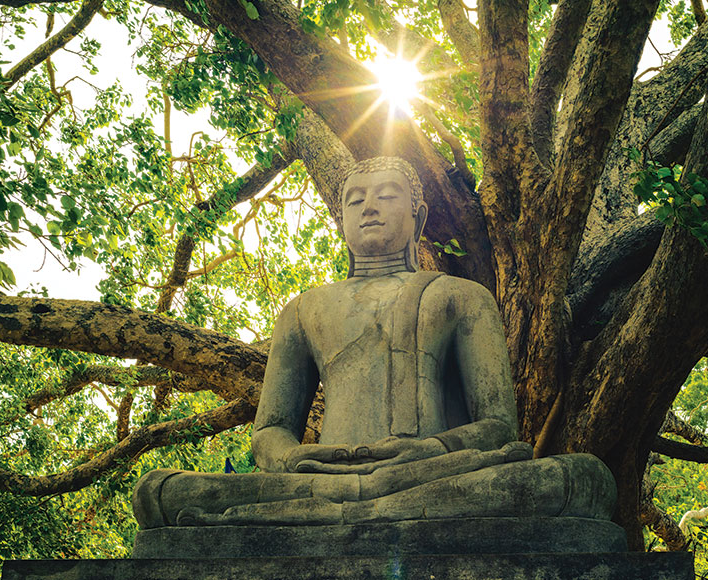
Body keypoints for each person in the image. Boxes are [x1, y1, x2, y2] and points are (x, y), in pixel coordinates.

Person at [133, 157, 615, 529]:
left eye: (386, 195)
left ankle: (359, 507)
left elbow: (496, 427)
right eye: (355, 199)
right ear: (341, 218)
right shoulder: (303, 309)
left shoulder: (461, 297)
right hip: (322, 479)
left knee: (583, 478)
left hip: (430, 474)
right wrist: (293, 457)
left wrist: (428, 451)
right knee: (157, 492)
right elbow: (271, 431)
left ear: (418, 214)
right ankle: (372, 506)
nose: (369, 206)